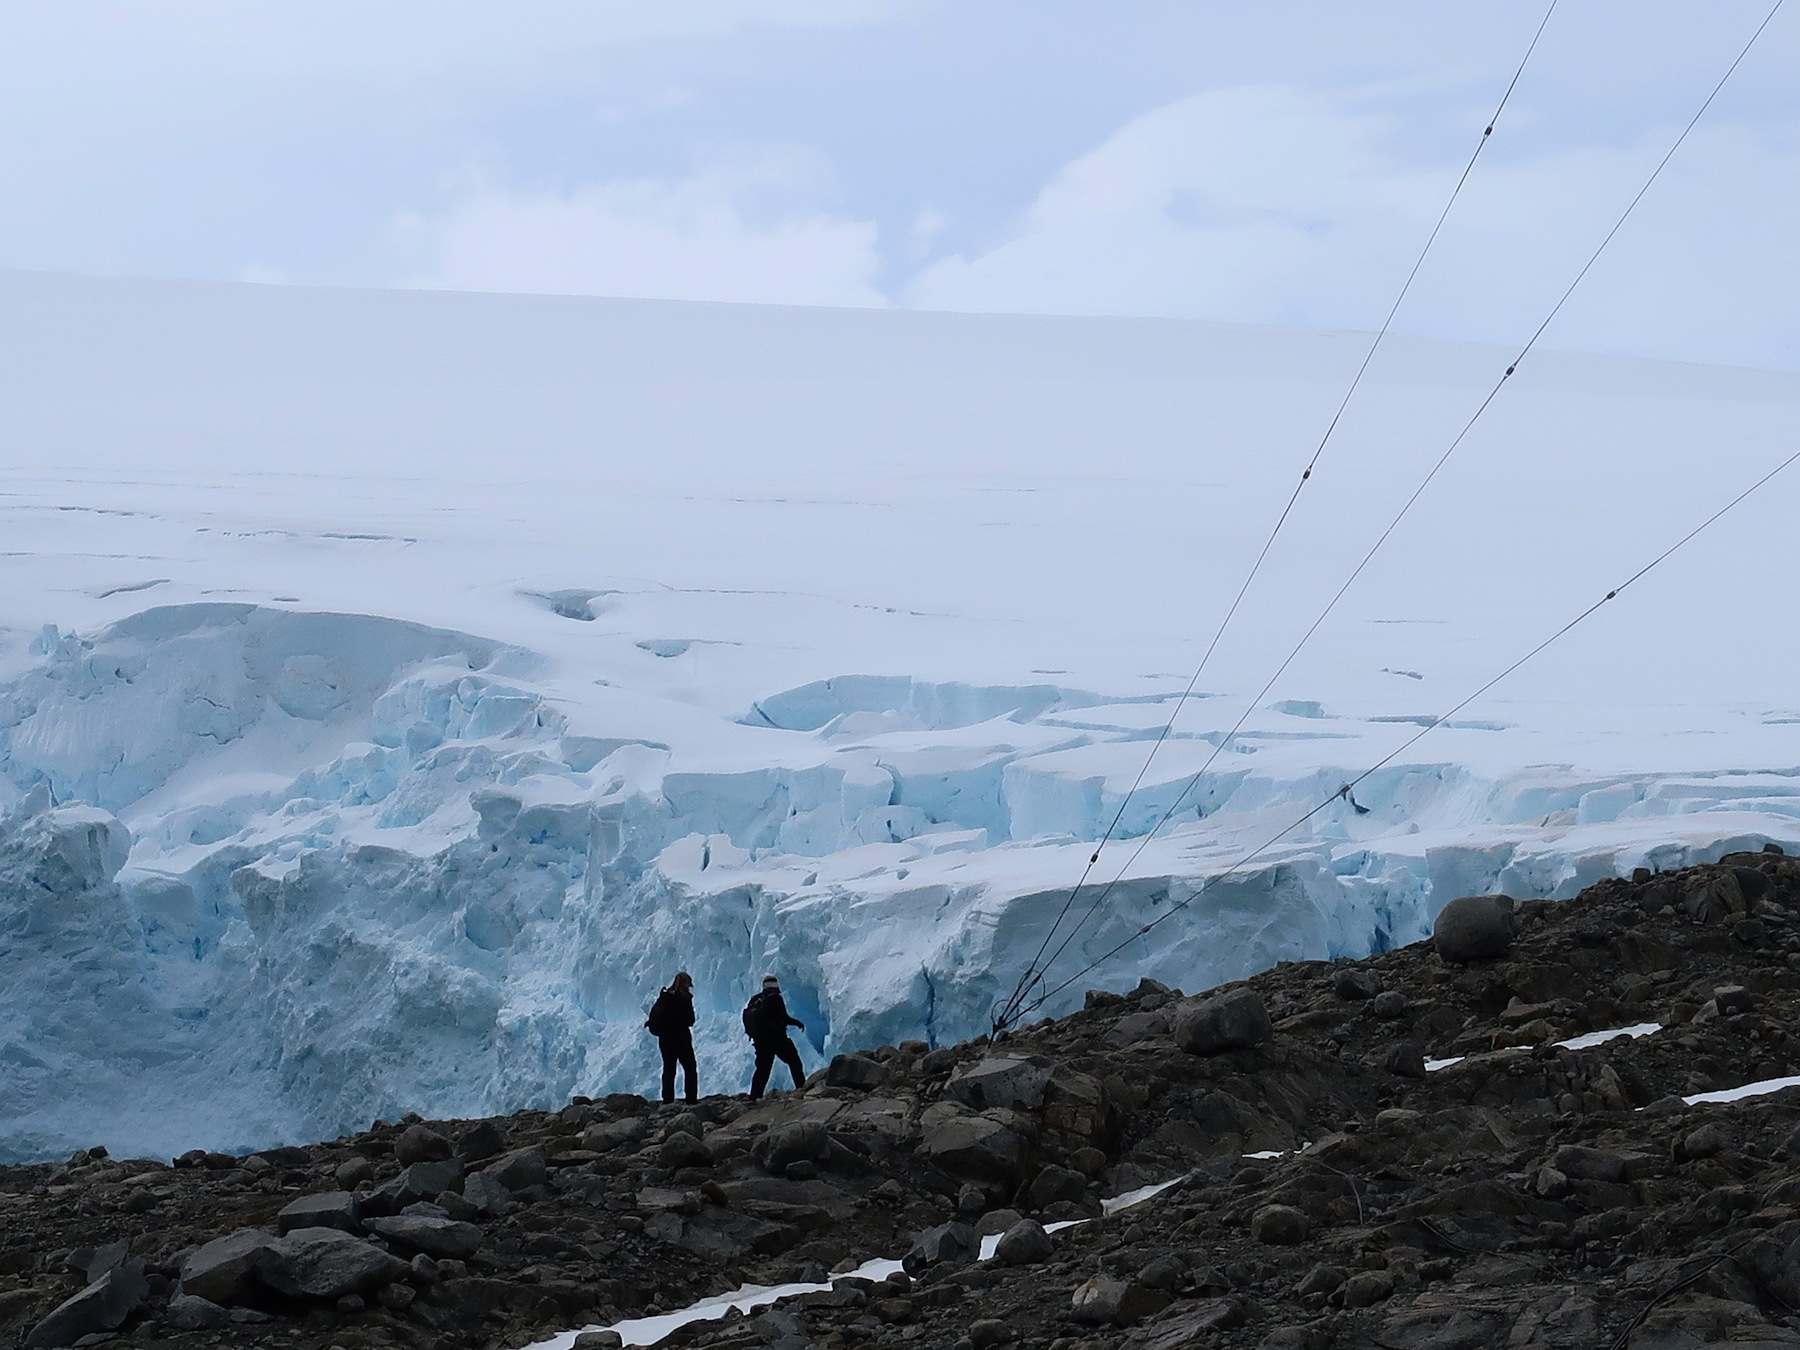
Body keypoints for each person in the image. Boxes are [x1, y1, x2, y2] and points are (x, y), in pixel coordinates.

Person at [743, 974, 806, 1101]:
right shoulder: (775, 998)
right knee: (794, 1062)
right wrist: (797, 1023)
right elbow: (783, 1017)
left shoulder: (755, 999)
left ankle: (755, 1096)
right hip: (777, 1039)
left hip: (760, 1041)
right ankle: (802, 1088)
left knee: (763, 1069)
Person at [646, 971, 697, 1104]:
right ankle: (691, 1099)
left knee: (669, 1069)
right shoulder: (684, 999)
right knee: (690, 1068)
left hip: (665, 1040)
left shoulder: (665, 997)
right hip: (681, 1039)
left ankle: (667, 1099)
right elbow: (690, 1020)